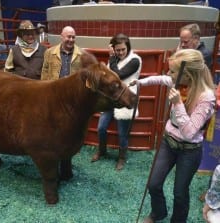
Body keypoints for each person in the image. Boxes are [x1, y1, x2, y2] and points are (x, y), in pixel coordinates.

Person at [130, 49, 216, 223]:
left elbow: (190, 132)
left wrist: (177, 104)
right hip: (169, 142)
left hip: (190, 150)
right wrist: (139, 82)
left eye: (173, 71)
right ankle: (158, 212)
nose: (169, 74)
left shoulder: (207, 96)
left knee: (180, 192)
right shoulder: (177, 81)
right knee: (153, 183)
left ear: (188, 75)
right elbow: (160, 78)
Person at [91, 33, 142, 171]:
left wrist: (112, 57)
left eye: (122, 49)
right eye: (117, 50)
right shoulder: (113, 61)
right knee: (101, 127)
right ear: (114, 49)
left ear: (128, 47)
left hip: (125, 99)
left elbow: (117, 75)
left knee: (122, 133)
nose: (120, 53)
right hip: (111, 99)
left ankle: (121, 157)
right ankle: (102, 151)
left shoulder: (135, 60)